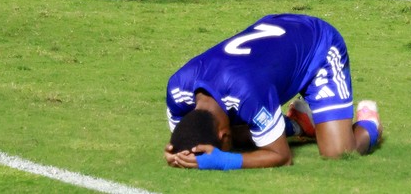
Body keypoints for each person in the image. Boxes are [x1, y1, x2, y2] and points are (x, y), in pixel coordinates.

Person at [164, 13, 382, 170]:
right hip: (275, 37)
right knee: (251, 133)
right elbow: (188, 133)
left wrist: (224, 161)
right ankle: (299, 123)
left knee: (338, 152)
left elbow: (282, 156)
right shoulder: (176, 89)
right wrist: (177, 150)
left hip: (318, 45)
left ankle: (371, 124)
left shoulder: (246, 93)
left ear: (224, 134)